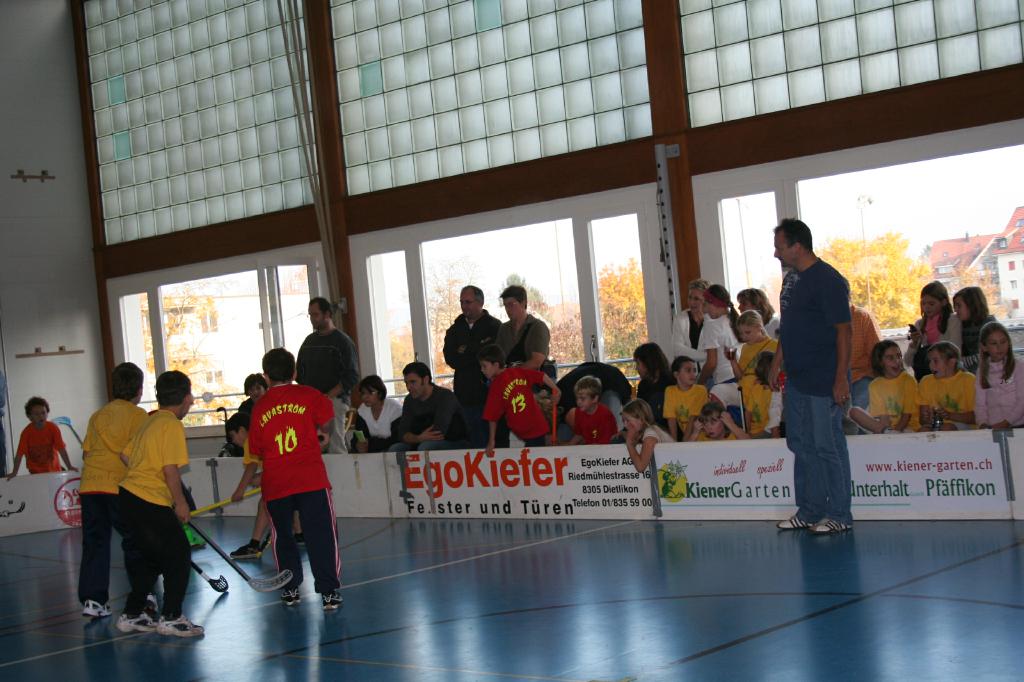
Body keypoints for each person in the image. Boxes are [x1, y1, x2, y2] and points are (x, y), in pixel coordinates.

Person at [769, 218, 853, 535]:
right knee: (801, 444)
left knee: (827, 445)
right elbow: (789, 326)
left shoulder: (829, 280)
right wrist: (777, 361)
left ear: (797, 246)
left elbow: (844, 331)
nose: (776, 253)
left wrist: (841, 379)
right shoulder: (793, 281)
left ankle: (840, 513)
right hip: (798, 379)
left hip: (823, 378)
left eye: (779, 247)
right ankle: (809, 509)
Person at [246, 348, 342, 610]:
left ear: (266, 376)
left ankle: (290, 589)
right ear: (295, 372)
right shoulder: (310, 395)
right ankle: (328, 592)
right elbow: (328, 421)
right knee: (321, 534)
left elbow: (257, 448)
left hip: (277, 482)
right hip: (310, 479)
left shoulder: (260, 407)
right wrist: (323, 435)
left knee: (283, 537)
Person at [116, 370, 203, 637]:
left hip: (128, 496)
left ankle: (132, 614)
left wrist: (144, 473)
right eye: (190, 396)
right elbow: (170, 470)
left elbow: (124, 455)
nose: (191, 401)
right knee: (179, 554)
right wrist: (180, 503)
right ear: (185, 398)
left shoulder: (150, 421)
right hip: (148, 500)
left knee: (149, 560)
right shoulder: (171, 425)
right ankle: (172, 617)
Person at [78, 363, 148, 619]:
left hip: (90, 486)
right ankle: (143, 594)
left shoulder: (98, 415)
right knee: (135, 540)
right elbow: (139, 455)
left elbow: (86, 454)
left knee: (95, 543)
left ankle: (94, 600)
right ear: (139, 390)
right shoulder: (139, 416)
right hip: (119, 487)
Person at [297, 297, 360, 453]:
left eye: (315, 314)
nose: (312, 318)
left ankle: (341, 469)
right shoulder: (308, 342)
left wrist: (329, 395)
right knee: (311, 445)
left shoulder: (343, 341)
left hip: (335, 400)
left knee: (335, 445)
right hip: (312, 401)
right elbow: (300, 373)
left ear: (327, 314)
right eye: (310, 315)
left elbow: (352, 375)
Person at [443, 285, 501, 448]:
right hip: (464, 394)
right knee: (473, 440)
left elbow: (494, 356)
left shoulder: (495, 326)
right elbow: (451, 359)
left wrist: (465, 350)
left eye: (468, 302)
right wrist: (476, 350)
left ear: (480, 302)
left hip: (489, 393)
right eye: (461, 302)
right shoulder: (454, 329)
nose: (464, 306)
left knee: (493, 440)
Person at [479, 344, 559, 451]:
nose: (482, 370)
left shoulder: (516, 373)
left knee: (535, 455)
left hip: (535, 428)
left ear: (496, 365)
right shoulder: (499, 384)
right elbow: (492, 416)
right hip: (528, 429)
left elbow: (540, 376)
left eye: (484, 366)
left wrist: (556, 389)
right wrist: (492, 440)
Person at [388, 362, 470, 454]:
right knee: (395, 449)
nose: (408, 387)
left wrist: (414, 437)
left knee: (426, 447)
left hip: (454, 441)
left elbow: (439, 432)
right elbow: (402, 434)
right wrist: (418, 438)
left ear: (426, 380)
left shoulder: (445, 396)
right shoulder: (409, 399)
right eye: (406, 383)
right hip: (420, 441)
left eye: (413, 382)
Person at [227, 412, 273, 560]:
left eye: (232, 436)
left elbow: (252, 465)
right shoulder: (262, 433)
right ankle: (299, 534)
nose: (233, 441)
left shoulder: (250, 439)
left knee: (265, 502)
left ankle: (254, 545)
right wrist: (262, 477)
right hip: (291, 470)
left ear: (241, 430)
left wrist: (239, 490)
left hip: (283, 472)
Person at [848, 341, 919, 434]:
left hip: (907, 428)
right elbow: (883, 418)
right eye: (890, 358)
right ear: (880, 362)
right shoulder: (875, 385)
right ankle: (886, 433)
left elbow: (907, 415)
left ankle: (887, 434)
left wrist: (895, 433)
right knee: (854, 411)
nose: (897, 361)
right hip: (887, 430)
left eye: (899, 356)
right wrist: (887, 432)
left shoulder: (908, 380)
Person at [712, 310, 777, 408]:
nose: (744, 337)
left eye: (747, 332)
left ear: (759, 327)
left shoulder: (775, 346)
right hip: (744, 388)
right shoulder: (745, 347)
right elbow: (740, 377)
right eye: (741, 334)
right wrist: (732, 360)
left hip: (764, 390)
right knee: (717, 391)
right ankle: (721, 418)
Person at [555, 361, 633, 436]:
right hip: (595, 371)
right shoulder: (563, 397)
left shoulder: (565, 405)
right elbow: (580, 433)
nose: (579, 402)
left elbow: (583, 433)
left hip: (612, 380)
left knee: (611, 431)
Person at [7, 397, 77, 479]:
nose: (41, 416)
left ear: (47, 413)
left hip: (54, 472)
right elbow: (19, 454)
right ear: (29, 416)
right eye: (36, 414)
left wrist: (69, 466)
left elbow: (61, 449)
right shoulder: (26, 433)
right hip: (36, 474)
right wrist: (14, 472)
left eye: (43, 413)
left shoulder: (53, 428)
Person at [906, 281, 962, 380]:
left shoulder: (953, 321)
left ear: (943, 302)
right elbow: (907, 362)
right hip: (927, 378)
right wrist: (914, 344)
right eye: (923, 303)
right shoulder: (920, 324)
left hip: (949, 376)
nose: (926, 307)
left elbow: (956, 353)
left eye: (931, 303)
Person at [974, 322, 1024, 429]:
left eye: (1003, 342)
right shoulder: (981, 371)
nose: (999, 347)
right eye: (993, 343)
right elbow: (980, 404)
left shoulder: (1019, 367)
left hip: (1018, 425)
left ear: (1009, 343)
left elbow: (1022, 401)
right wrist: (982, 423)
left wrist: (1006, 422)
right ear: (984, 347)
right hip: (992, 427)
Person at [918, 341, 975, 431]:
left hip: (965, 426)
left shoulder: (968, 380)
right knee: (923, 431)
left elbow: (976, 416)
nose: (930, 365)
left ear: (951, 362)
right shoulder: (926, 381)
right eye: (930, 361)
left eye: (935, 361)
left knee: (946, 428)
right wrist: (926, 418)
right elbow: (922, 420)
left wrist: (949, 415)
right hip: (938, 426)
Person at [494, 285, 550, 371]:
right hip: (508, 378)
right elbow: (497, 358)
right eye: (505, 305)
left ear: (523, 303)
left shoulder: (538, 327)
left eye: (511, 304)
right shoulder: (503, 329)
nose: (507, 309)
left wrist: (509, 373)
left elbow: (536, 362)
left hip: (532, 378)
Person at [695, 284, 739, 389]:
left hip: (724, 380)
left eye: (705, 304)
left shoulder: (712, 326)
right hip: (739, 375)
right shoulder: (734, 320)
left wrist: (699, 384)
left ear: (714, 304)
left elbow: (711, 363)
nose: (705, 310)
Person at [350, 375, 402, 453]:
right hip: (373, 448)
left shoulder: (394, 408)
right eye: (363, 393)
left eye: (370, 393)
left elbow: (397, 438)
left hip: (392, 447)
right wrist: (358, 445)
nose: (365, 397)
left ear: (380, 393)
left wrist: (370, 445)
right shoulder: (362, 410)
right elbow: (357, 436)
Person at [663, 356, 708, 441]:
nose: (693, 374)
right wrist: (673, 443)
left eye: (694, 370)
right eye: (688, 370)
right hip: (690, 438)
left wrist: (684, 442)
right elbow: (671, 419)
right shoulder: (670, 391)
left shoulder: (701, 390)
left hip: (703, 436)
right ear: (676, 374)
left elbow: (693, 418)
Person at [622, 399, 673, 473]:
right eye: (623, 421)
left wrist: (629, 444)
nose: (625, 425)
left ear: (641, 419)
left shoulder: (650, 435)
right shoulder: (652, 430)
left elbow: (640, 467)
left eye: (628, 420)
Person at [566, 376, 618, 445]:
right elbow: (579, 434)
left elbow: (606, 442)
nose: (578, 402)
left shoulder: (605, 415)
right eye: (577, 398)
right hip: (591, 446)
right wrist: (569, 446)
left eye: (582, 399)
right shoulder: (579, 412)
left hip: (609, 446)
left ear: (595, 399)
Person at [953, 286, 995, 372]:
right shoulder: (960, 324)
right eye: (955, 306)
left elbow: (992, 352)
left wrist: (962, 361)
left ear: (971, 306)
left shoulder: (989, 324)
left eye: (959, 306)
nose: (955, 310)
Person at [849, 304, 882, 411]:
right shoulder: (819, 319)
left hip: (861, 376)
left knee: (856, 409)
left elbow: (877, 354)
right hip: (831, 379)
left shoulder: (862, 316)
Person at [633, 343, 673, 430]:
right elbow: (639, 412)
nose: (636, 368)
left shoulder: (670, 382)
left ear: (647, 363)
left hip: (667, 429)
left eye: (638, 363)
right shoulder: (643, 385)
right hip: (649, 428)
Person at [743, 351, 783, 438]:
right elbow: (748, 412)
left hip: (769, 430)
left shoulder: (778, 390)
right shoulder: (756, 388)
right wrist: (748, 433)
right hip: (758, 432)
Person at [670, 278, 709, 363]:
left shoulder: (713, 319)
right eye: (690, 297)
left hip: (711, 369)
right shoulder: (680, 319)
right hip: (689, 370)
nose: (691, 302)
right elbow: (677, 350)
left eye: (696, 299)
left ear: (706, 301)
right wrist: (708, 356)